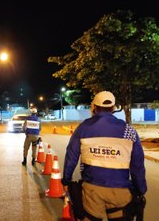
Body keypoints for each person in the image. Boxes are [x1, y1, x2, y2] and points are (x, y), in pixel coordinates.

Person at [61, 91, 147, 221]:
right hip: (120, 191)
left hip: (92, 191)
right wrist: (140, 189)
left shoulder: (83, 128)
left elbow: (71, 156)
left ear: (94, 107)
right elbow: (137, 165)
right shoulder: (129, 130)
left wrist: (66, 180)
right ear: (113, 108)